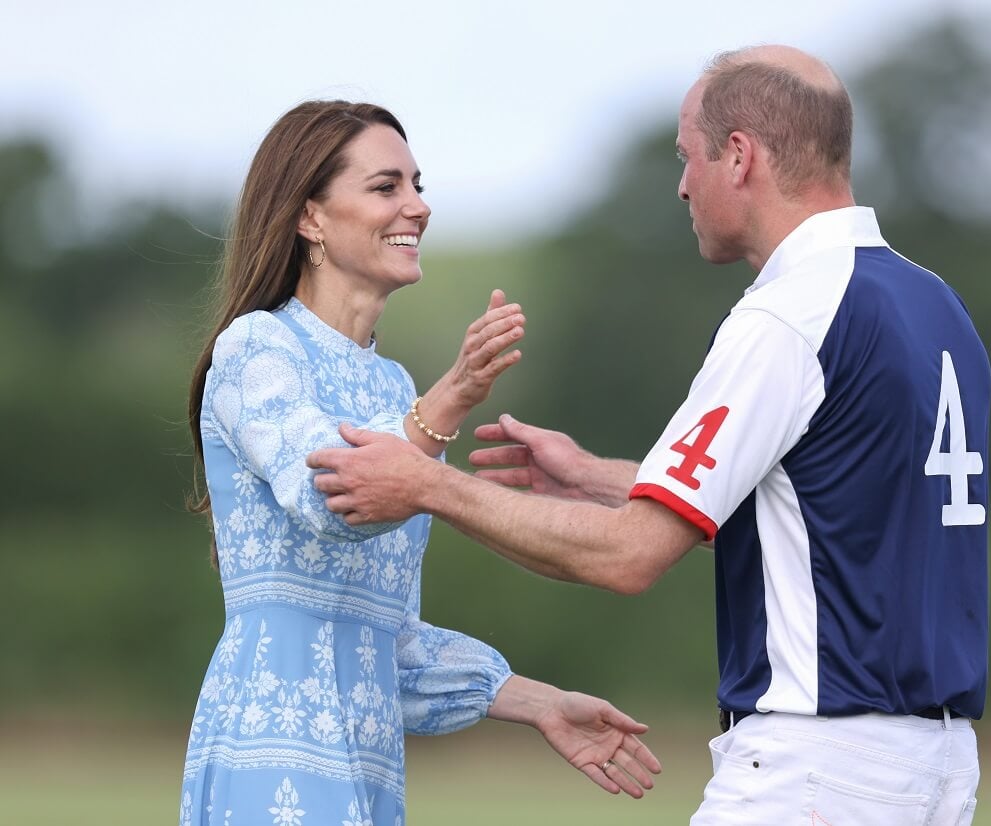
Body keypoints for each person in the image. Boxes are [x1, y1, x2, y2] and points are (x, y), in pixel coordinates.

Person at [308, 44, 989, 825]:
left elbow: (630, 556)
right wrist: (597, 476)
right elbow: (822, 519)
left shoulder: (788, 316)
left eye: (688, 156)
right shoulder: (935, 306)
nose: (682, 184)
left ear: (740, 157)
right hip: (937, 771)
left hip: (816, 773)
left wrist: (428, 483)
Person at [180, 100, 660, 826]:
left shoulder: (392, 389)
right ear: (310, 217)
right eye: (386, 187)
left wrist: (540, 703)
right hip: (269, 757)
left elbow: (387, 641)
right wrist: (455, 394)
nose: (418, 206)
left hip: (370, 775)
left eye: (417, 184)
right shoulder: (256, 349)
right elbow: (330, 495)